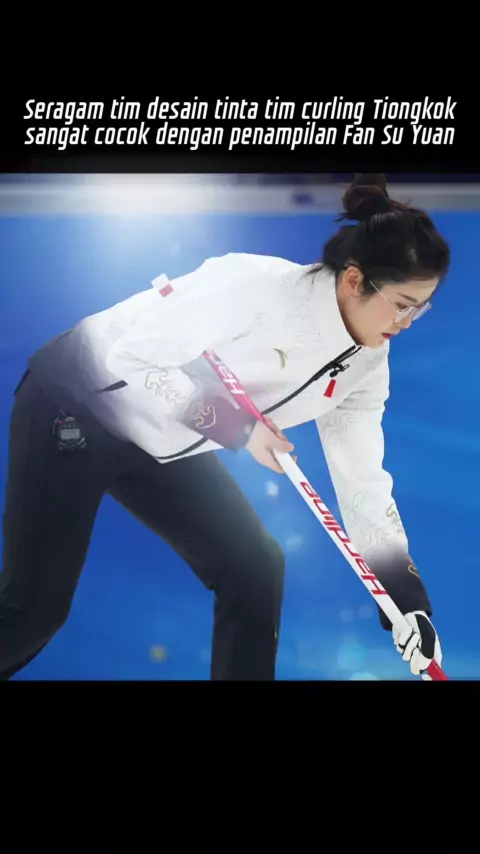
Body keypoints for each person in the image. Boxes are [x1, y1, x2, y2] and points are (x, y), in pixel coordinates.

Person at [0, 174, 450, 681]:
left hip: (159, 440)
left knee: (254, 568)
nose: (407, 322)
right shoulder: (255, 286)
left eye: (421, 308)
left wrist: (406, 603)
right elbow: (133, 358)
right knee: (33, 613)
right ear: (353, 280)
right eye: (403, 304)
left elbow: (363, 485)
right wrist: (239, 429)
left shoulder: (366, 365)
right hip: (78, 402)